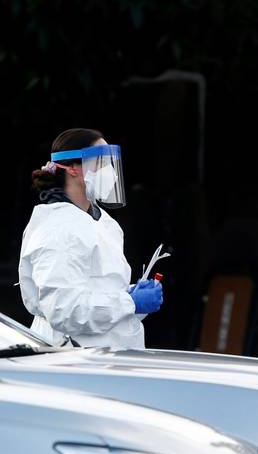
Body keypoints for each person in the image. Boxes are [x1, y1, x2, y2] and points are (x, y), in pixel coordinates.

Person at [18, 128, 162, 349]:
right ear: (73, 168)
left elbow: (98, 290)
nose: (109, 171)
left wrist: (130, 295)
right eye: (100, 162)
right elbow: (63, 309)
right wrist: (129, 302)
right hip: (74, 359)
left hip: (107, 356)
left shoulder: (102, 221)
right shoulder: (58, 228)